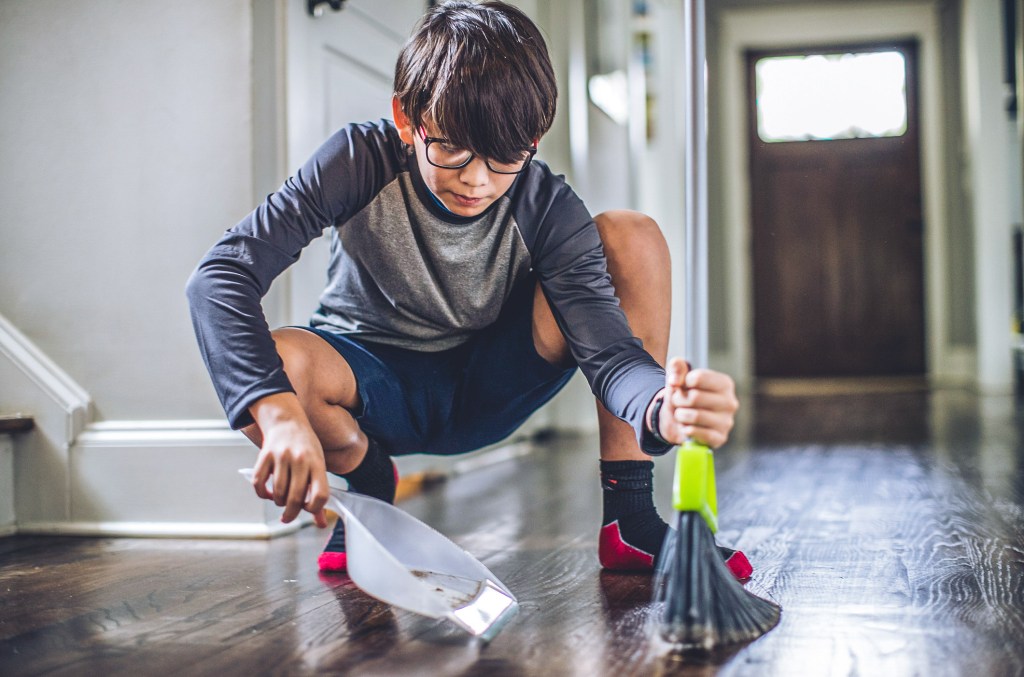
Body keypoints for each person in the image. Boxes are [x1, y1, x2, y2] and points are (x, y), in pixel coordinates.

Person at [186, 0, 748, 578]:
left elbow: (611, 353)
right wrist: (279, 416)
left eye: (505, 156)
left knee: (631, 235)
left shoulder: (547, 207)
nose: (476, 180)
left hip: (489, 384)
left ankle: (629, 519)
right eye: (451, 146)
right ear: (407, 119)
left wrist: (662, 407)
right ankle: (367, 476)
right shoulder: (359, 159)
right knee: (268, 360)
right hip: (369, 386)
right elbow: (220, 276)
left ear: (534, 137)